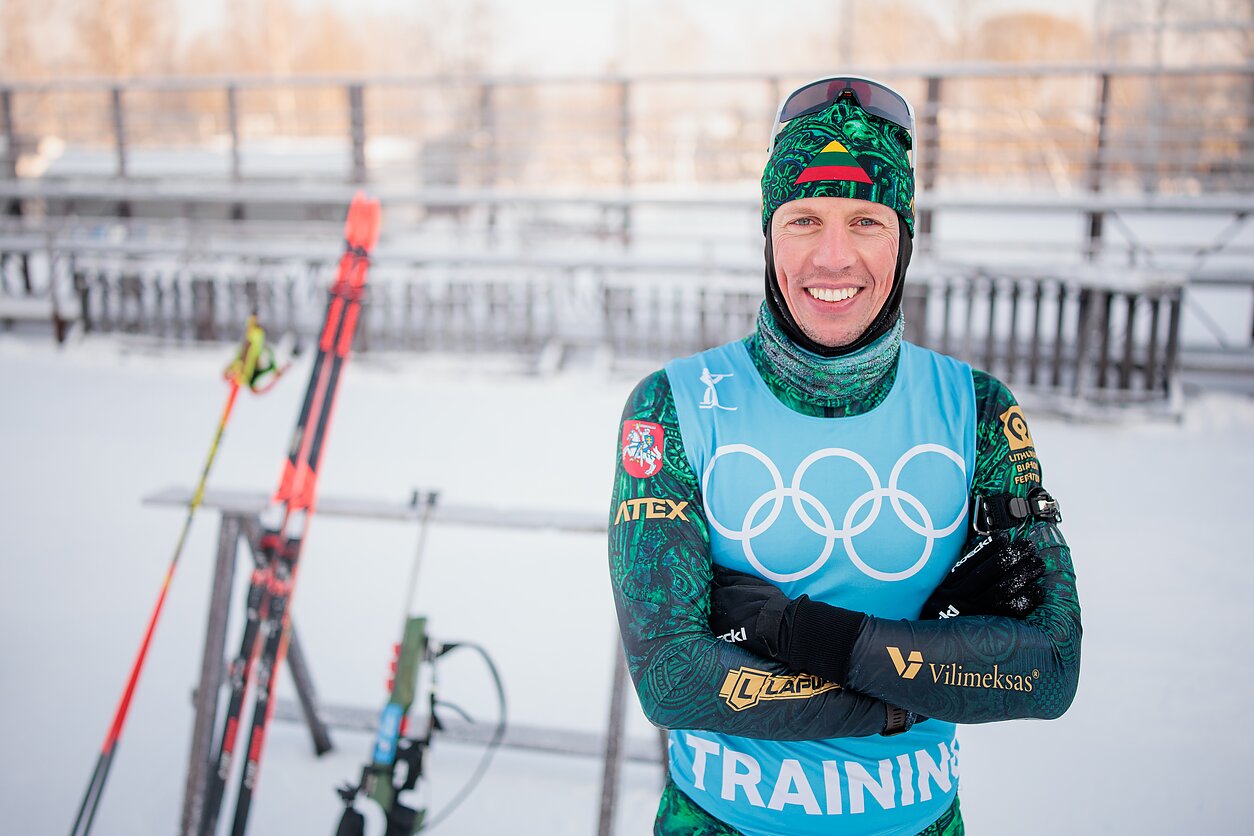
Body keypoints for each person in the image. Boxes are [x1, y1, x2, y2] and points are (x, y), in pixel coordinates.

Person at [608, 75, 1081, 836]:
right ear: (768, 235)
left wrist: (796, 632)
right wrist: (927, 673)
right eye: (803, 220)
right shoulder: (674, 406)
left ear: (905, 240)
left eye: (866, 220)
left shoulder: (979, 412)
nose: (833, 257)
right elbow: (672, 680)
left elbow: (1050, 669)